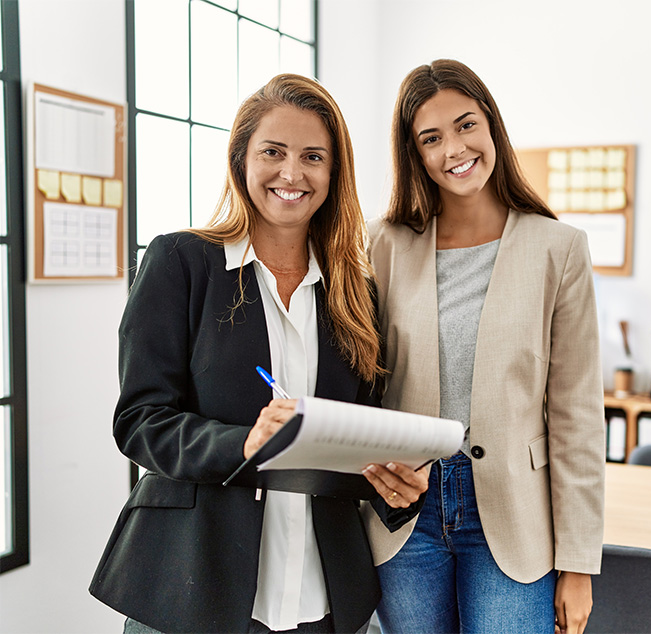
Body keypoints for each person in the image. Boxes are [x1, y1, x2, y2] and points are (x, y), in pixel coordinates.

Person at [89, 74, 428, 634]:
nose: (291, 174)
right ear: (241, 159)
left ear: (334, 173)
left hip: (323, 595)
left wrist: (393, 488)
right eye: (273, 152)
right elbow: (139, 421)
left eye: (313, 157)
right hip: (194, 588)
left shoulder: (355, 292)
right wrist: (243, 442)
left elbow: (353, 441)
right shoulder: (181, 262)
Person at [361, 59, 606, 634]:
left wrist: (577, 563)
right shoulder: (385, 244)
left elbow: (576, 415)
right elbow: (360, 382)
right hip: (405, 516)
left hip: (514, 516)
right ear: (415, 154)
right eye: (432, 138)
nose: (455, 148)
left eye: (466, 124)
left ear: (491, 124)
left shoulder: (559, 249)